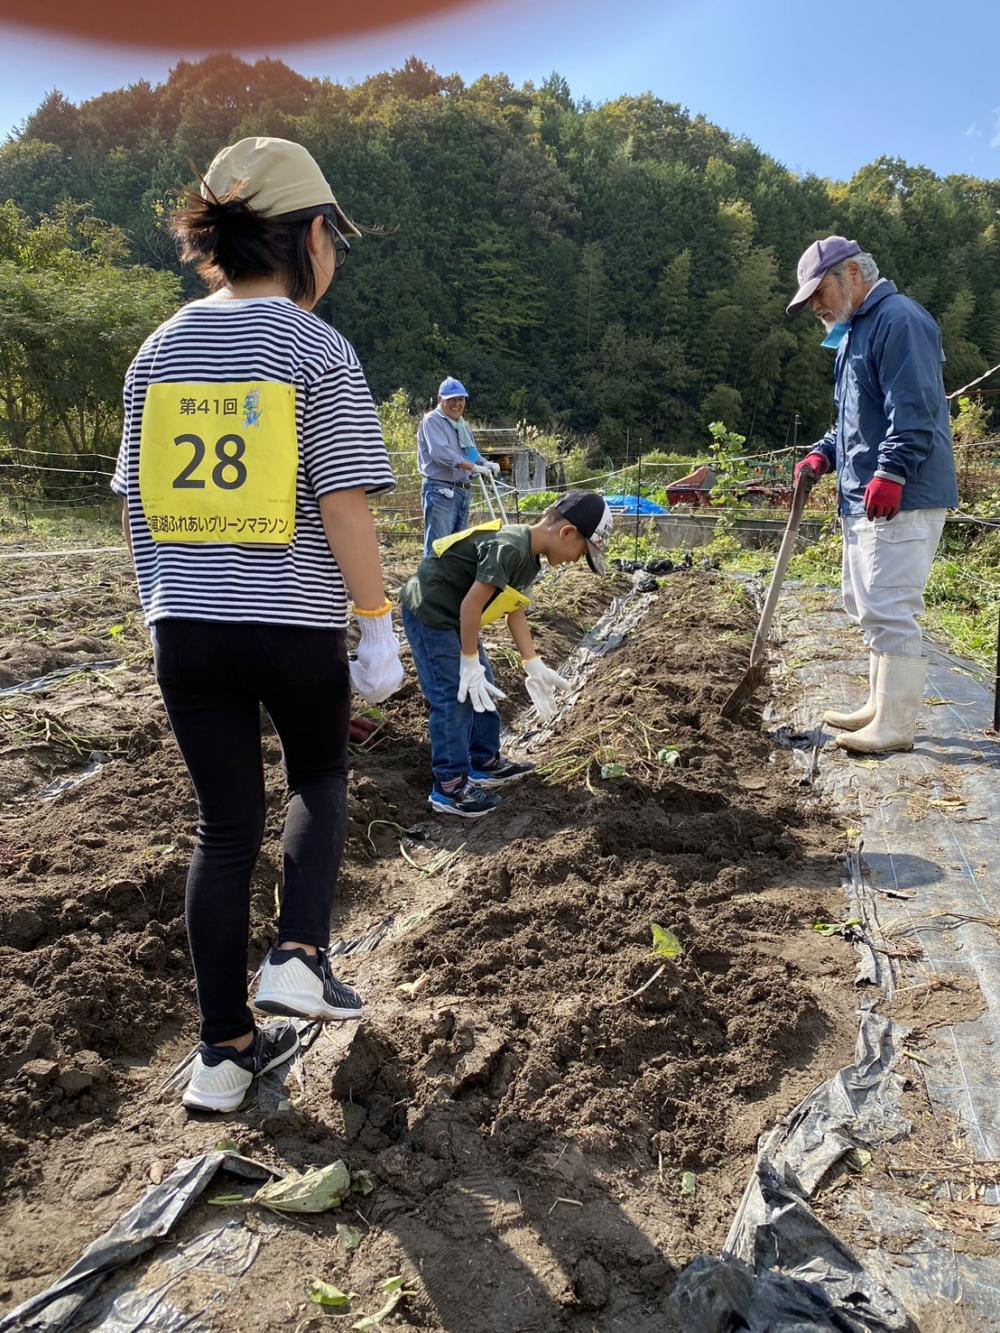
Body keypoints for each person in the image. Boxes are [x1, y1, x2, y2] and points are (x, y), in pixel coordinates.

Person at [111, 136, 405, 1112]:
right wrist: (373, 622)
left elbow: (133, 506)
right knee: (318, 772)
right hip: (289, 623)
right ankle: (299, 954)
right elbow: (343, 503)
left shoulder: (157, 350)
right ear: (313, 236)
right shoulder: (313, 346)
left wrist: (167, 599)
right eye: (336, 241)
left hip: (182, 628)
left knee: (221, 826)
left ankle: (222, 1054)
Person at [786, 236, 958, 754]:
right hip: (863, 494)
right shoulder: (853, 333)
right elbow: (853, 422)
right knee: (862, 602)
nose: (815, 305)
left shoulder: (899, 320)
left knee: (889, 605)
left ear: (853, 274)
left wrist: (893, 472)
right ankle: (879, 705)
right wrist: (823, 453)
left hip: (901, 496)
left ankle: (896, 725)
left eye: (820, 292)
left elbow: (916, 410)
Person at [400, 491, 613, 816]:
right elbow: (471, 605)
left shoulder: (529, 559)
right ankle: (449, 787)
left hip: (455, 616)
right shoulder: (511, 546)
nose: (575, 561)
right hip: (431, 612)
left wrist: (533, 663)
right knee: (454, 695)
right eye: (581, 552)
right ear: (567, 533)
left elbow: (515, 611)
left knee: (484, 683)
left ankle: (483, 760)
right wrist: (468, 661)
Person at [416, 377, 499, 556]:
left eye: (460, 399)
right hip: (440, 491)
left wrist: (485, 463)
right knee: (438, 549)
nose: (456, 404)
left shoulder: (462, 425)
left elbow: (470, 453)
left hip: (462, 493)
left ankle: (451, 584)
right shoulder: (433, 421)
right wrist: (473, 468)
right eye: (451, 400)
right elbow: (441, 454)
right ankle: (432, 584)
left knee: (456, 551)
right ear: (440, 400)